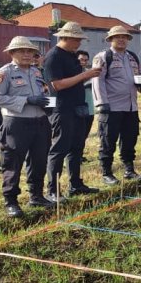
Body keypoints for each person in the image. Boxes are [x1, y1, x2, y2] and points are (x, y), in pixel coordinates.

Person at [0, 37, 53, 217]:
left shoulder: (36, 72)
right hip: (17, 123)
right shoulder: (4, 73)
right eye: (21, 51)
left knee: (39, 160)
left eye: (29, 51)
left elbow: (43, 93)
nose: (26, 54)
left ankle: (36, 195)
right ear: (12, 53)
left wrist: (47, 103)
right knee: (13, 163)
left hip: (40, 121)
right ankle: (11, 201)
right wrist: (26, 100)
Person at [46, 22, 102, 199]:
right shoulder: (53, 56)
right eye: (77, 39)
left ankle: (75, 184)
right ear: (66, 38)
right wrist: (85, 75)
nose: (79, 43)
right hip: (62, 109)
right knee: (59, 149)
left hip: (78, 108)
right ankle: (53, 190)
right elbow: (56, 85)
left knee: (77, 147)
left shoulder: (71, 55)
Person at [92, 25, 141, 184]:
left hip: (131, 106)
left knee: (130, 140)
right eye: (117, 37)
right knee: (108, 141)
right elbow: (97, 81)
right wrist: (102, 103)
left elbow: (140, 75)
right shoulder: (103, 57)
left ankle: (129, 170)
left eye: (124, 37)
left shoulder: (133, 57)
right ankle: (106, 173)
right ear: (110, 40)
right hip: (111, 107)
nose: (121, 40)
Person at [76, 50, 95, 162]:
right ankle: (74, 156)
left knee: (84, 135)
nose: (83, 62)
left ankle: (80, 155)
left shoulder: (90, 72)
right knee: (76, 135)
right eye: (81, 59)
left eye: (86, 60)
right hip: (78, 109)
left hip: (90, 109)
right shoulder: (72, 73)